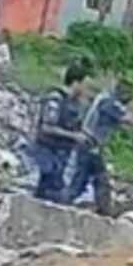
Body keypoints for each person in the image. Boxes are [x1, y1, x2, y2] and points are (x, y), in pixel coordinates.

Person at [68, 78, 133, 215]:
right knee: (86, 178)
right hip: (89, 144)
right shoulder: (109, 103)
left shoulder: (104, 99)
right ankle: (71, 201)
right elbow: (129, 119)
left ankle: (102, 207)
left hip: (91, 145)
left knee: (98, 178)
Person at [31, 62, 93, 202]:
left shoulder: (75, 104)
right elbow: (47, 127)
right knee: (51, 189)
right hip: (47, 152)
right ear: (76, 83)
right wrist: (74, 136)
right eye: (85, 85)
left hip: (62, 155)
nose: (86, 89)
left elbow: (76, 125)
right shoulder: (56, 99)